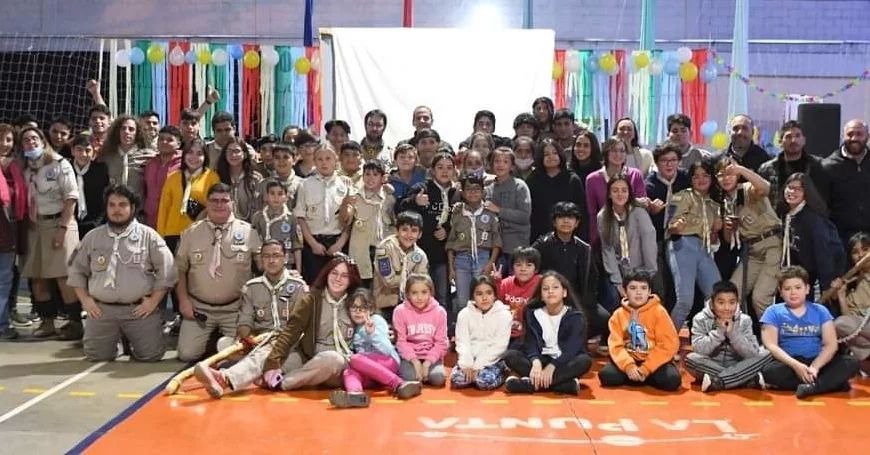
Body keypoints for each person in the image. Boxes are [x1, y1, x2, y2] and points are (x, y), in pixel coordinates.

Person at [195, 255, 359, 397]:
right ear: (327, 274)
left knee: (332, 359)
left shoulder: (357, 301)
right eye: (334, 273)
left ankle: (281, 383)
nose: (338, 279)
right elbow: (290, 332)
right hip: (308, 358)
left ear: (351, 279)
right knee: (269, 353)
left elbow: (370, 331)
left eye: (344, 275)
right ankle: (225, 379)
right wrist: (272, 363)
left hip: (341, 367)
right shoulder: (312, 299)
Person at [67, 185, 176, 361]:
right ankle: (116, 342)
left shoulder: (149, 237)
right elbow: (76, 271)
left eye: (122, 205)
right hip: (101, 310)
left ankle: (132, 338)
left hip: (138, 310)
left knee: (151, 356)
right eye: (112, 205)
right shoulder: (92, 237)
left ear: (133, 207)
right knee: (96, 356)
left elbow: (168, 272)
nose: (116, 210)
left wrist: (153, 302)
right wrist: (85, 301)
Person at [175, 183, 262, 362]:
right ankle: (210, 340)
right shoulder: (191, 233)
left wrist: (286, 272)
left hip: (235, 308)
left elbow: (264, 266)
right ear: (207, 203)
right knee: (187, 354)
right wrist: (183, 301)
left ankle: (220, 340)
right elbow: (180, 270)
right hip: (199, 308)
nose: (219, 205)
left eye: (224, 200)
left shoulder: (248, 232)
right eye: (214, 200)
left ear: (232, 203)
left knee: (241, 354)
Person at [19, 126, 83, 339]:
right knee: (37, 277)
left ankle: (75, 324)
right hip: (35, 226)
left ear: (42, 140)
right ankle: (47, 322)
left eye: (34, 138)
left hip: (59, 224)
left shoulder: (59, 164)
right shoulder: (25, 169)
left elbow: (71, 198)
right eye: (26, 140)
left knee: (63, 277)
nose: (31, 142)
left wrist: (63, 229)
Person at [760, 266, 860, 398]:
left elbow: (831, 345)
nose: (793, 292)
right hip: (789, 363)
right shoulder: (773, 312)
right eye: (787, 289)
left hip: (818, 362)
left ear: (807, 289)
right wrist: (796, 366)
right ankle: (828, 384)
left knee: (851, 363)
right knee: (769, 372)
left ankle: (812, 387)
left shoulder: (820, 311)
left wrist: (815, 367)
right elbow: (771, 345)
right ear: (781, 291)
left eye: (798, 287)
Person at [532, 202, 609, 347]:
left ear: (577, 223)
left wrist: (588, 300)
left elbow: (592, 278)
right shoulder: (542, 245)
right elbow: (532, 270)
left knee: (605, 318)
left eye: (570, 217)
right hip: (549, 297)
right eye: (561, 217)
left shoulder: (584, 248)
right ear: (554, 222)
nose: (566, 221)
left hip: (577, 297)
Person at [329, 289, 423, 408]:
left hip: (387, 362)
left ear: (371, 309)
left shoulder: (376, 320)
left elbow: (387, 349)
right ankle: (355, 395)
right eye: (354, 308)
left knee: (355, 359)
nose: (358, 312)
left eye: (363, 308)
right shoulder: (354, 327)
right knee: (349, 371)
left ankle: (399, 383)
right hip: (371, 371)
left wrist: (372, 333)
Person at [503, 271, 592, 395]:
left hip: (563, 361)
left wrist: (552, 366)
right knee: (510, 355)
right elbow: (530, 342)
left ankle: (531, 384)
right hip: (541, 359)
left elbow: (572, 349)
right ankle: (563, 385)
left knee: (584, 361)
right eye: (545, 289)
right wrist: (536, 362)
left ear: (564, 292)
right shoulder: (532, 313)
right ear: (541, 295)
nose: (550, 291)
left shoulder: (576, 317)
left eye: (555, 287)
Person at [718, 158, 783, 317]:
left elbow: (766, 188)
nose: (726, 178)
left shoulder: (747, 189)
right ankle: (731, 331)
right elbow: (728, 239)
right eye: (721, 175)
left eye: (730, 174)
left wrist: (741, 169)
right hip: (752, 252)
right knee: (732, 293)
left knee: (760, 298)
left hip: (771, 245)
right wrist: (728, 228)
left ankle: (772, 332)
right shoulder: (725, 201)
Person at [397, 153, 458, 313]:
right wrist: (415, 201)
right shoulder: (421, 188)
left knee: (442, 296)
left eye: (449, 168)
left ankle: (440, 326)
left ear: (454, 170)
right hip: (420, 251)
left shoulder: (457, 193)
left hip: (443, 254)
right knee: (418, 293)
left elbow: (460, 219)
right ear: (432, 170)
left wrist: (447, 230)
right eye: (440, 167)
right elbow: (399, 208)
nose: (444, 171)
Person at [599, 271, 681, 391]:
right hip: (629, 359)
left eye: (643, 288)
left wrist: (646, 368)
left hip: (653, 361)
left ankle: (640, 376)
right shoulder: (617, 315)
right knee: (607, 376)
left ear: (649, 291)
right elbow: (615, 345)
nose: (638, 292)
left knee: (672, 380)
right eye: (633, 288)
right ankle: (636, 376)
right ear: (625, 291)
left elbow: (668, 344)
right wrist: (628, 366)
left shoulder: (659, 312)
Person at [667, 159, 723, 330]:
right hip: (682, 244)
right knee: (685, 300)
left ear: (712, 178)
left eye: (705, 175)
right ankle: (667, 340)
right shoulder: (683, 196)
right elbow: (670, 225)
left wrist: (717, 231)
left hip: (703, 248)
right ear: (690, 179)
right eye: (696, 176)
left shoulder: (714, 204)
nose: (701, 179)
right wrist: (676, 227)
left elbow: (714, 235)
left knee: (717, 295)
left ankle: (712, 338)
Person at [685, 281, 772, 392]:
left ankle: (718, 381)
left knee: (766, 353)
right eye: (721, 303)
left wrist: (733, 334)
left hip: (739, 364)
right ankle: (744, 379)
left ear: (737, 302)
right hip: (711, 365)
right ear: (712, 303)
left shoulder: (745, 320)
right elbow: (699, 350)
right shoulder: (700, 319)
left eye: (732, 303)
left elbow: (751, 353)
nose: (727, 308)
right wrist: (719, 332)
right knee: (691, 359)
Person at [294, 144, 355, 283]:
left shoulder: (345, 184)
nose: (324, 163)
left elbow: (350, 219)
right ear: (314, 161)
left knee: (337, 283)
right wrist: (313, 244)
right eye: (319, 159)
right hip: (313, 242)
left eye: (328, 158)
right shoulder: (305, 184)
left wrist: (340, 243)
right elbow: (300, 217)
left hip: (337, 241)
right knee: (315, 284)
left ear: (336, 160)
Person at [446, 175, 501, 327]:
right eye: (468, 190)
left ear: (483, 192)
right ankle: (463, 330)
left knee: (482, 297)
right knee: (462, 300)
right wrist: (451, 268)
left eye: (477, 189)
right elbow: (451, 242)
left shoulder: (489, 212)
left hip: (483, 257)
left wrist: (490, 263)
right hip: (461, 259)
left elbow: (496, 240)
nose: (473, 193)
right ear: (462, 193)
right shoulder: (457, 212)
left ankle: (484, 328)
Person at [598, 175, 658, 311]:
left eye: (624, 190)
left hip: (642, 269)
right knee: (614, 299)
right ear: (609, 194)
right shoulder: (603, 216)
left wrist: (647, 275)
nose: (620, 194)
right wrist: (618, 283)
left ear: (629, 193)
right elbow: (608, 250)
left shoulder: (639, 212)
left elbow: (648, 244)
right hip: (619, 270)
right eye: (615, 190)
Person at [780, 173, 845, 295]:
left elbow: (823, 253)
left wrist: (826, 284)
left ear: (806, 192)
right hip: (797, 276)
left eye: (798, 189)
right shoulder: (787, 214)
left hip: (816, 277)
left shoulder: (813, 219)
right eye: (790, 187)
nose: (792, 192)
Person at [645, 142, 691, 310]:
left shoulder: (686, 179)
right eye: (664, 160)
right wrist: (651, 210)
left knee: (680, 284)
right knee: (660, 283)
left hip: (682, 239)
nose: (669, 164)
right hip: (657, 240)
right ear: (657, 163)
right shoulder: (649, 185)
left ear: (679, 161)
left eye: (673, 160)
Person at [156, 138, 220, 252]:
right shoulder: (173, 177)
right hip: (173, 232)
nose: (194, 157)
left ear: (205, 157)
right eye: (190, 152)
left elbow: (215, 206)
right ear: (184, 154)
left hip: (199, 232)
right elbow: (164, 208)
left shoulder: (212, 177)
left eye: (199, 154)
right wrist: (160, 236)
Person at [235, 240, 306, 339]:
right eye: (266, 256)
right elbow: (244, 322)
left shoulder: (298, 287)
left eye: (276, 256)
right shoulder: (251, 288)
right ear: (261, 259)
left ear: (285, 258)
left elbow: (301, 323)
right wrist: (251, 341)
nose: (271, 260)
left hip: (290, 342)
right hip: (260, 342)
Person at [451, 276, 512, 390]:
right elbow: (462, 342)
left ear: (494, 295)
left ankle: (503, 372)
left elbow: (500, 345)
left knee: (483, 381)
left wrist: (478, 366)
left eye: (489, 293)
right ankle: (472, 374)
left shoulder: (504, 315)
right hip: (470, 359)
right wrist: (467, 365)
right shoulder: (464, 314)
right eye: (479, 294)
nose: (484, 298)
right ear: (473, 296)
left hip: (493, 360)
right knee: (457, 379)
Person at [585, 137, 648, 247]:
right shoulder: (592, 179)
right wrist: (594, 241)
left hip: (632, 235)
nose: (618, 154)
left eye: (622, 151)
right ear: (606, 152)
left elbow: (642, 206)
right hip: (605, 234)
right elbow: (592, 213)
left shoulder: (635, 175)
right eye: (614, 150)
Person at [758, 121, 828, 215]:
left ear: (804, 140)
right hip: (776, 220)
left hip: (809, 219)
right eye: (788, 137)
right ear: (780, 142)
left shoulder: (817, 166)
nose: (793, 140)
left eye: (797, 136)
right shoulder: (767, 169)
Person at [526, 138, 586, 243]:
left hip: (568, 235)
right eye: (546, 154)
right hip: (539, 235)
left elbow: (581, 210)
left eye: (554, 153)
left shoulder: (572, 179)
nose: (551, 157)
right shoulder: (533, 180)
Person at [821, 119, 870, 249]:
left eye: (859, 134)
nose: (854, 138)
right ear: (843, 136)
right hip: (839, 240)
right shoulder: (828, 167)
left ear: (868, 136)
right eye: (850, 134)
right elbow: (822, 206)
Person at [393, 274, 449, 387]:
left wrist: (428, 362)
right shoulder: (400, 311)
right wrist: (414, 361)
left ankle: (427, 371)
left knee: (438, 378)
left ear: (430, 293)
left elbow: (441, 342)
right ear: (408, 294)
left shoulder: (439, 312)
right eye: (414, 293)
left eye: (424, 292)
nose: (419, 297)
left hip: (431, 355)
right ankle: (416, 372)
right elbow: (401, 342)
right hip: (409, 356)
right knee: (410, 378)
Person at [372, 211, 428, 322]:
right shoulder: (384, 248)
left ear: (420, 234)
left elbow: (421, 284)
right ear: (397, 231)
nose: (409, 235)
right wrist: (411, 281)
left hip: (410, 305)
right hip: (385, 306)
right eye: (404, 230)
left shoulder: (420, 255)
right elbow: (389, 281)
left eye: (414, 231)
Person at [346, 160, 395, 286]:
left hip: (383, 251)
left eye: (375, 174)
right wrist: (345, 205)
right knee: (361, 287)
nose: (370, 178)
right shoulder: (355, 197)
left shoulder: (389, 198)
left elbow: (394, 224)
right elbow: (346, 223)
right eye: (367, 174)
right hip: (361, 251)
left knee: (383, 287)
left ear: (383, 178)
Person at [485, 147, 531, 271]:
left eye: (505, 161)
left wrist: (499, 210)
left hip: (515, 246)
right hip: (493, 247)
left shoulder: (519, 186)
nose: (500, 165)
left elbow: (524, 216)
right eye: (497, 161)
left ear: (512, 166)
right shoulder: (488, 189)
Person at [492, 247, 542, 350]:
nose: (523, 269)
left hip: (530, 336)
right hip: (505, 334)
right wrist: (496, 284)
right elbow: (495, 307)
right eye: (518, 265)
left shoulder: (541, 283)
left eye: (528, 265)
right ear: (512, 268)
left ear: (536, 269)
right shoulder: (505, 283)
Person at [834, 233, 870, 373]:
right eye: (855, 252)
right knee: (839, 324)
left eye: (865, 249)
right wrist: (841, 296)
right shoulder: (853, 283)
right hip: (865, 327)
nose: (861, 255)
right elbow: (849, 321)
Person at [251, 179, 302, 273]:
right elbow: (253, 243)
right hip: (264, 264)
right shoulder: (258, 217)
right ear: (266, 196)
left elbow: (297, 246)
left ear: (286, 197)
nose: (276, 197)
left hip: (286, 265)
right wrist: (259, 264)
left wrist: (298, 270)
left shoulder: (291, 218)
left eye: (280, 194)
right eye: (272, 193)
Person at [98, 115, 155, 195]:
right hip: (114, 201)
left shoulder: (148, 156)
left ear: (137, 133)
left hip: (138, 201)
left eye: (131, 129)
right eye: (123, 128)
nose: (126, 132)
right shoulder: (107, 157)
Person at [68, 134, 109, 239]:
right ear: (72, 151)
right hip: (70, 222)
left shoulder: (100, 170)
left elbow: (105, 197)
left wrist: (98, 222)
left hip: (95, 223)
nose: (83, 154)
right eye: (79, 150)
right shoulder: (66, 169)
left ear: (93, 152)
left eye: (88, 150)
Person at [142, 126, 182, 229]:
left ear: (178, 144)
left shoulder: (183, 164)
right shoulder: (150, 164)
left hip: (174, 221)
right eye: (161, 139)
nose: (164, 142)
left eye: (169, 140)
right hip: (150, 221)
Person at [216, 137, 262, 222]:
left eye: (237, 151)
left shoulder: (255, 178)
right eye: (229, 151)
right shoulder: (218, 178)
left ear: (245, 155)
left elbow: (260, 207)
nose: (233, 155)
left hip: (252, 226)